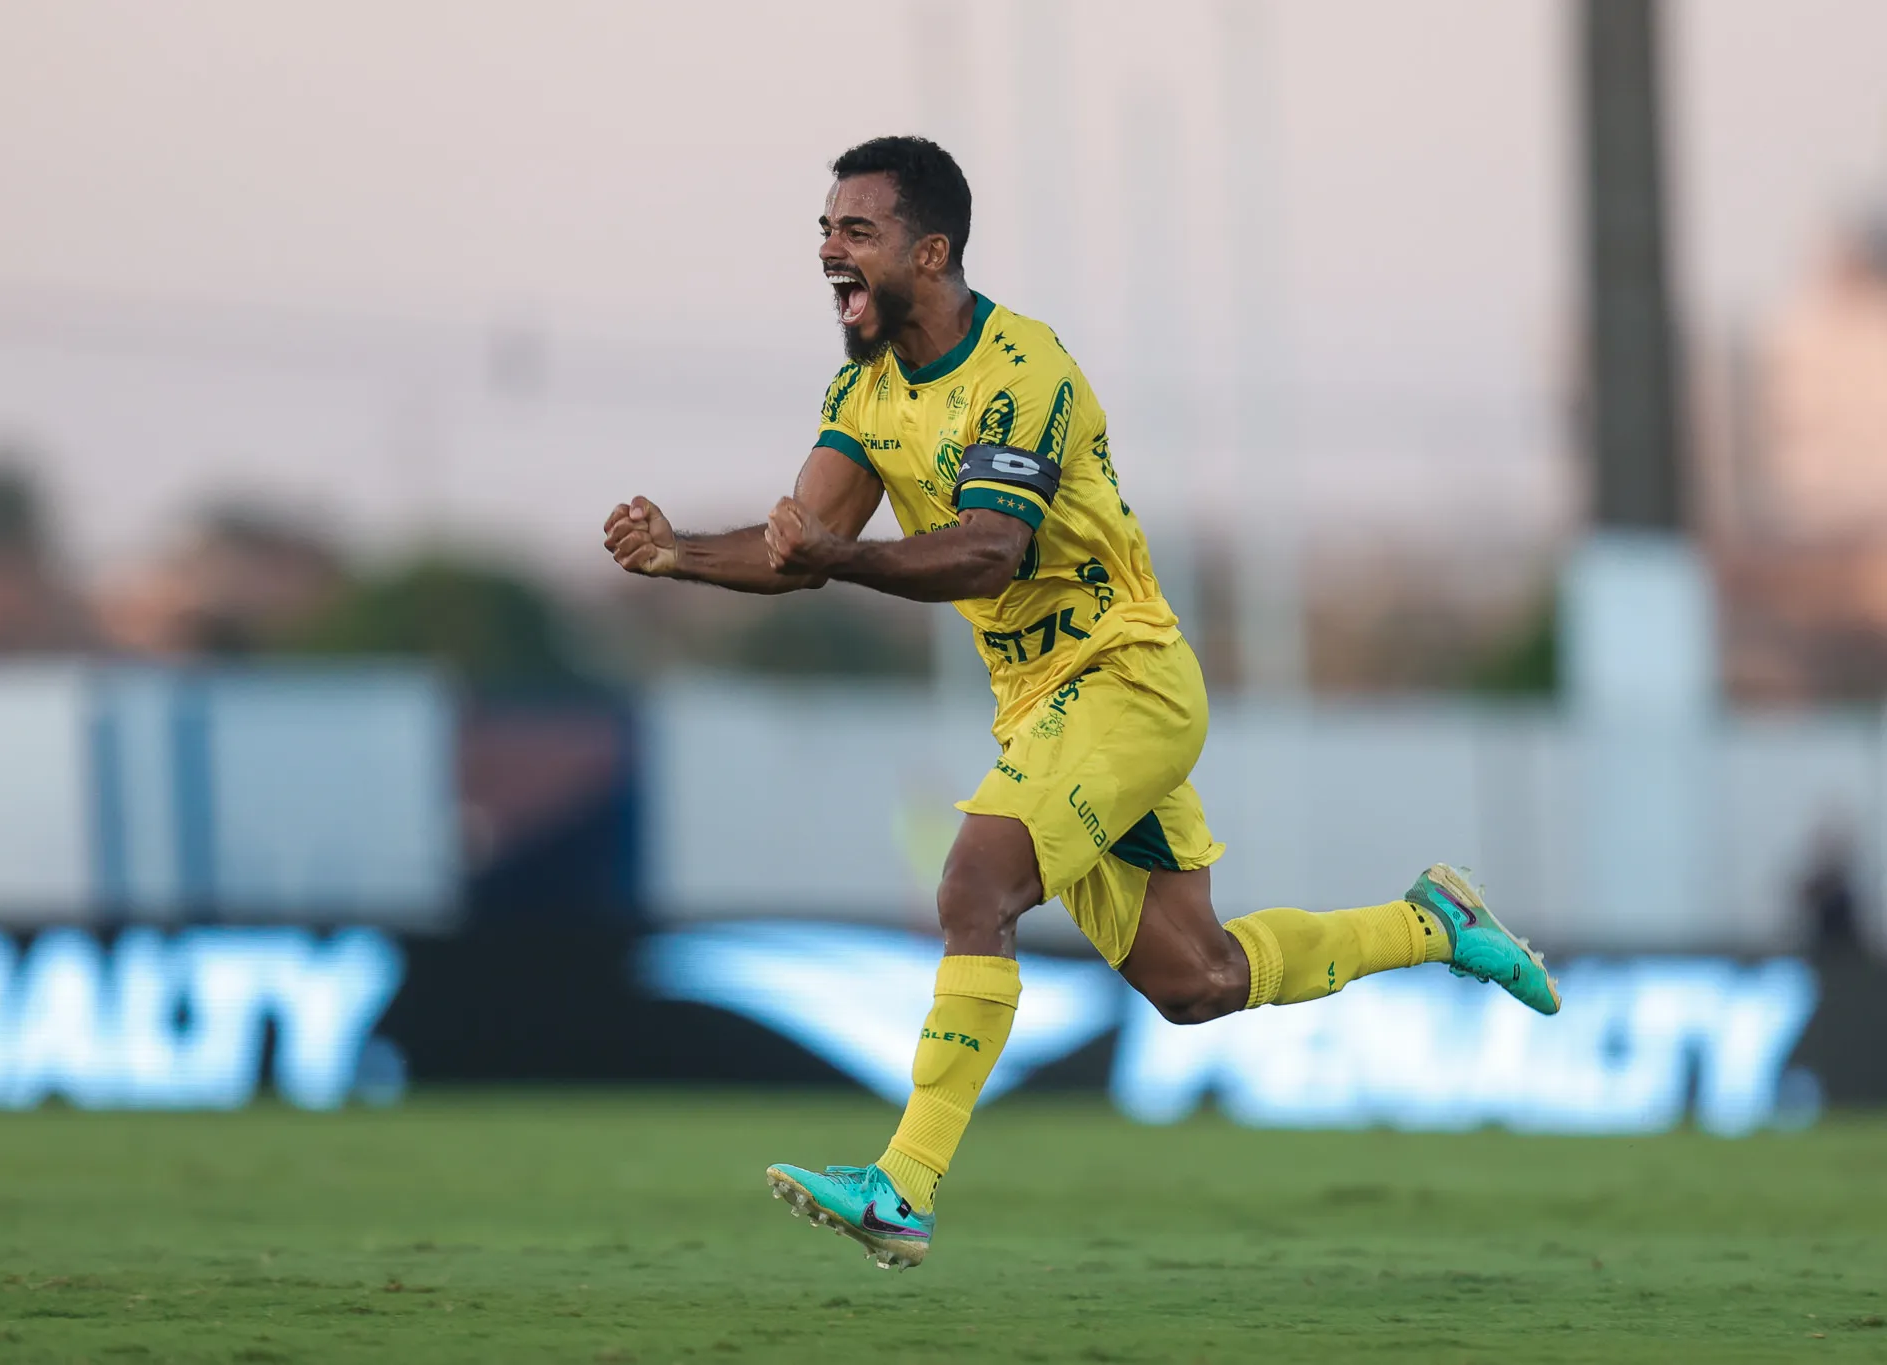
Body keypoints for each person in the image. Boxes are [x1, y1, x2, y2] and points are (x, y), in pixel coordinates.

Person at [603, 135, 1558, 1270]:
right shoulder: (862, 392)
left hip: (1125, 682)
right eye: (824, 230)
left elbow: (986, 553)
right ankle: (1433, 923)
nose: (827, 252)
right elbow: (798, 548)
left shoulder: (1021, 368)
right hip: (1043, 709)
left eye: (854, 232)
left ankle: (901, 1186)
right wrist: (679, 558)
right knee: (1192, 983)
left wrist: (836, 558)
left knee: (972, 887)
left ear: (931, 248)